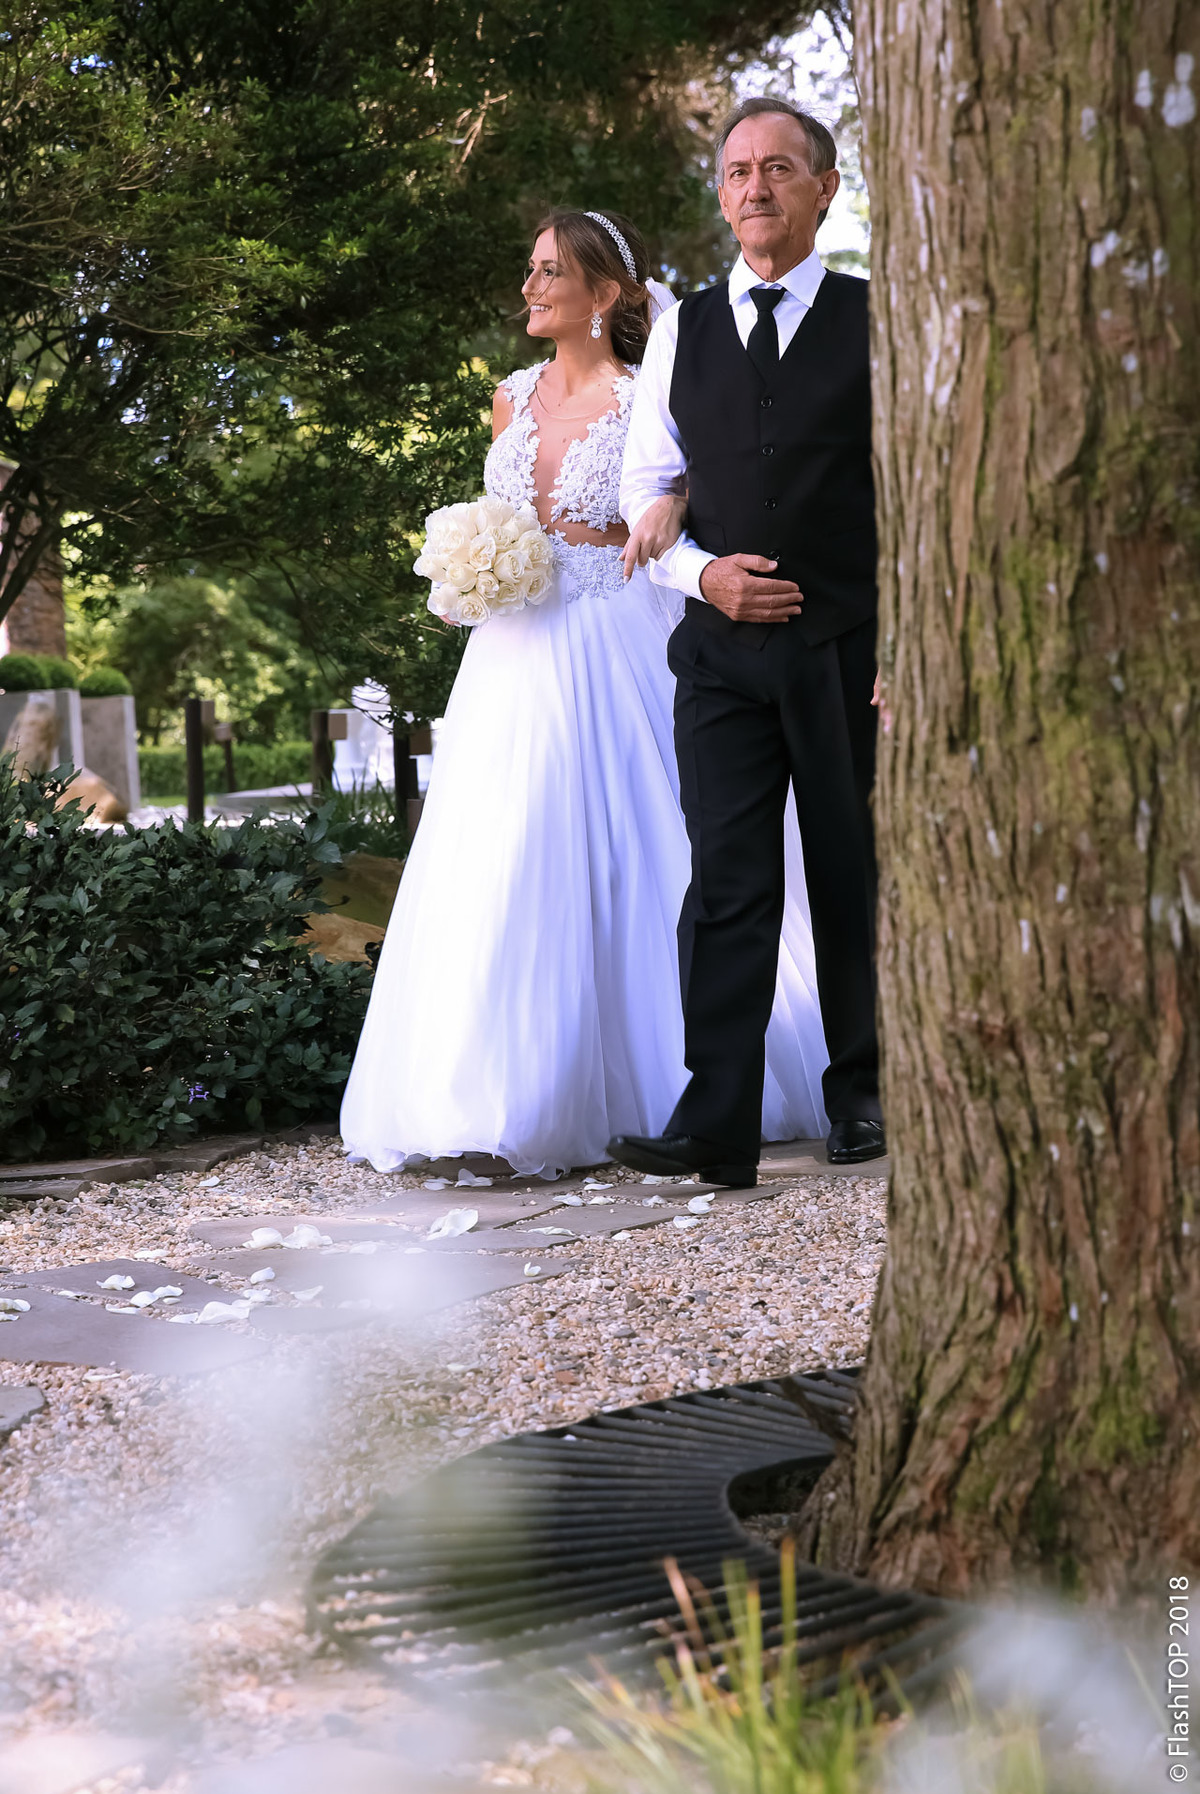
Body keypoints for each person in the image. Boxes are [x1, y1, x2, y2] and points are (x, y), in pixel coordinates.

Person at [340, 207, 829, 1177]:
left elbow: (677, 495)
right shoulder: (509, 396)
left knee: (634, 850)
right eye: (530, 270)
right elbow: (503, 513)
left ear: (604, 293)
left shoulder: (649, 394)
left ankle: (670, 1084)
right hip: (511, 648)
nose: (530, 288)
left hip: (613, 634)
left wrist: (668, 512)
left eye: (550, 272)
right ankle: (485, 1097)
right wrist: (467, 571)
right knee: (500, 853)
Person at [610, 97, 886, 1187]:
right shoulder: (682, 329)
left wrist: (908, 645)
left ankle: (863, 1096)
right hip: (719, 655)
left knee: (852, 872)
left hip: (848, 646)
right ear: (721, 196)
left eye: (778, 167)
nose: (755, 187)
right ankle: (716, 1121)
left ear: (825, 187)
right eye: (737, 171)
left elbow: (914, 492)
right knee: (726, 882)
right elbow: (644, 486)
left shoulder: (879, 316)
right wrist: (704, 576)